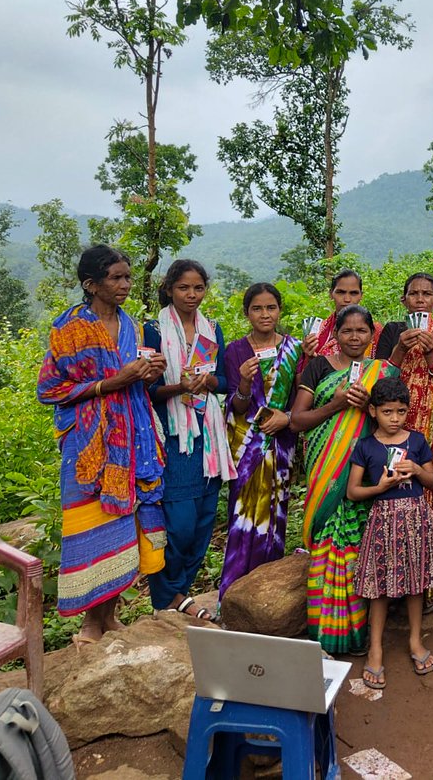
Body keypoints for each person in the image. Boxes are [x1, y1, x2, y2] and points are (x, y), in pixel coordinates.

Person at [37, 245, 167, 644]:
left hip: (133, 440)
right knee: (93, 528)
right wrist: (111, 383)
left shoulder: (132, 325)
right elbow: (50, 389)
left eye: (128, 276)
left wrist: (148, 374)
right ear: (91, 285)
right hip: (90, 448)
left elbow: (132, 382)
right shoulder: (70, 328)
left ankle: (109, 616)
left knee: (127, 527)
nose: (125, 284)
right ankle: (89, 625)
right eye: (116, 278)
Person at [291, 305, 400, 654]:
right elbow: (297, 421)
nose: (355, 337)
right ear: (335, 334)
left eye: (362, 331)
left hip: (360, 472)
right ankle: (324, 634)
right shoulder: (318, 367)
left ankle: (355, 633)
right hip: (325, 470)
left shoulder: (381, 372)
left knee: (355, 549)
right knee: (327, 545)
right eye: (347, 331)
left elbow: (392, 420)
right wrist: (336, 404)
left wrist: (371, 405)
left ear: (372, 335)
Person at [144, 259, 236, 622]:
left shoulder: (212, 330)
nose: (192, 294)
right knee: (177, 522)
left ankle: (179, 594)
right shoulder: (152, 330)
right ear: (169, 289)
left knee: (201, 520)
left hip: (208, 436)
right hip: (172, 435)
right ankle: (169, 594)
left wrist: (208, 383)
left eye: (198, 288)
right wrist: (178, 386)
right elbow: (147, 390)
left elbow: (225, 382)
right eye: (184, 287)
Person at [349, 378, 433, 689]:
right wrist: (379, 487)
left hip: (416, 518)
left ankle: (415, 641)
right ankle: (375, 648)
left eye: (401, 411)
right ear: (373, 411)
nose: (395, 418)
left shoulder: (417, 441)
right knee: (380, 587)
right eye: (388, 411)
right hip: (383, 521)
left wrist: (417, 470)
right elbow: (353, 491)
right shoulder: (366, 446)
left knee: (416, 584)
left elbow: (432, 481)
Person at [219, 282, 302, 598]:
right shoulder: (236, 351)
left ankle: (266, 594)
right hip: (247, 447)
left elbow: (301, 398)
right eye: (257, 308)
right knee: (242, 517)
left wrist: (288, 419)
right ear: (246, 313)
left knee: (274, 515)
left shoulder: (294, 349)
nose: (265, 314)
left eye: (271, 307)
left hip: (280, 444)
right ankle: (234, 592)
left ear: (280, 310)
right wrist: (243, 380)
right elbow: (237, 406)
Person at [375, 273, 433, 529]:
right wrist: (400, 349)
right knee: (392, 488)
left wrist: (430, 354)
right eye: (413, 294)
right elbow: (379, 379)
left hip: (429, 431)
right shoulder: (392, 331)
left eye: (426, 294)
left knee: (426, 490)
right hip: (391, 427)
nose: (420, 300)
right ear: (403, 300)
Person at [303, 269, 383, 361]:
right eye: (341, 292)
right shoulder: (316, 332)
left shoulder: (376, 331)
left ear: (361, 295)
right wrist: (309, 359)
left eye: (353, 293)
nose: (347, 299)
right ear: (331, 294)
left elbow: (382, 368)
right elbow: (303, 373)